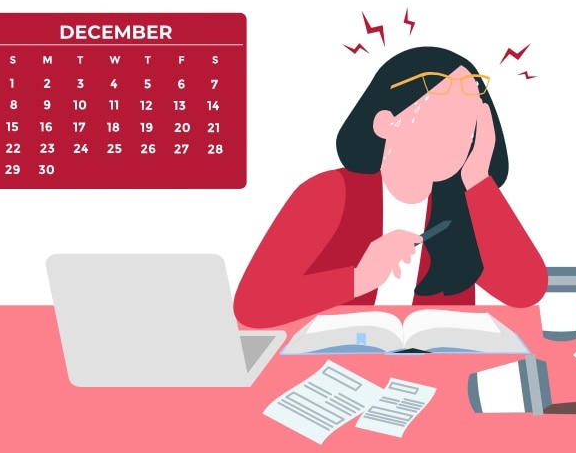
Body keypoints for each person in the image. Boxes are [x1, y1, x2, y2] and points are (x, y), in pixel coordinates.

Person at [234, 46, 548, 328]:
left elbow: (525, 291)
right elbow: (253, 306)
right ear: (385, 123)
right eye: (442, 120)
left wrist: (479, 179)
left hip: (442, 375)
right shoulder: (328, 194)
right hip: (337, 368)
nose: (459, 138)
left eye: (469, 126)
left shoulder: (466, 204)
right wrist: (357, 279)